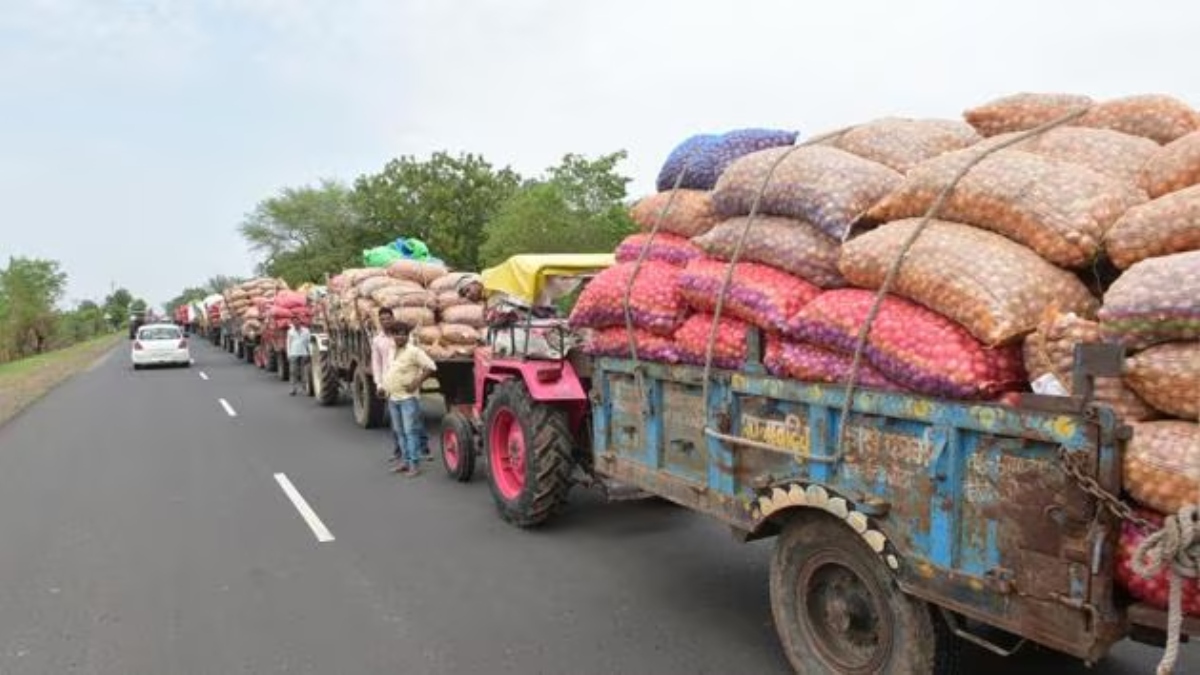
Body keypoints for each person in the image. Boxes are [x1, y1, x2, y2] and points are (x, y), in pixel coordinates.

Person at [380, 322, 437, 476]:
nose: (400, 336)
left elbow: (431, 366)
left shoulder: (414, 351)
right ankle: (405, 462)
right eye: (397, 333)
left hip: (408, 399)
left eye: (403, 333)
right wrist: (383, 387)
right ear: (392, 335)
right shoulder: (392, 351)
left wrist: (417, 382)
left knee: (410, 431)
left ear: (408, 335)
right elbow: (390, 370)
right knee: (399, 432)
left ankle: (414, 464)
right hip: (393, 398)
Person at [371, 307, 402, 464]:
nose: (385, 322)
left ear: (393, 318)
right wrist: (379, 384)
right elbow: (376, 364)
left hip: (406, 384)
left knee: (411, 421)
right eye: (382, 319)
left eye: (388, 318)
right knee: (396, 423)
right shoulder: (377, 341)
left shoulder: (402, 336)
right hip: (390, 385)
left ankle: (415, 452)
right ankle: (398, 451)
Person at [286, 320, 312, 396]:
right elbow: (288, 343)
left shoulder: (306, 331)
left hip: (303, 353)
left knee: (304, 371)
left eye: (297, 322)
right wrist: (288, 354)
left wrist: (309, 353)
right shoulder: (290, 331)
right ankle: (293, 389)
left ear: (300, 323)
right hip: (293, 353)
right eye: (294, 323)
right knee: (293, 371)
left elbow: (309, 342)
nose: (296, 324)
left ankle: (305, 387)